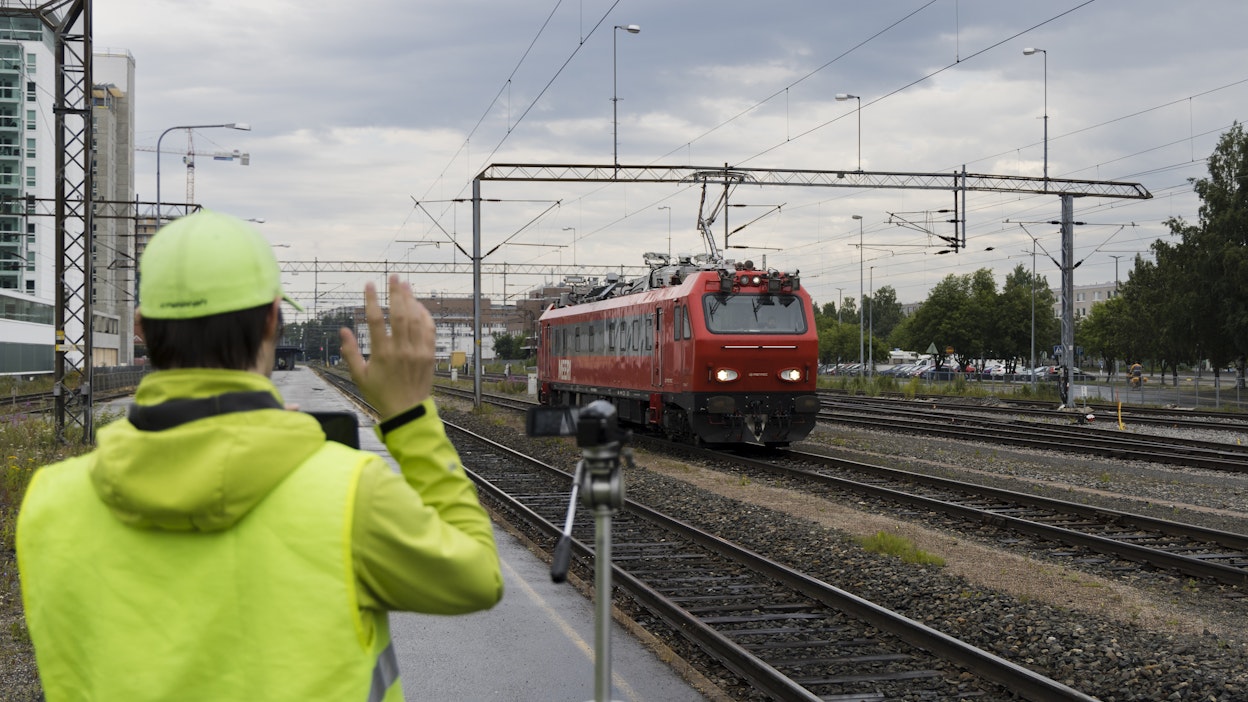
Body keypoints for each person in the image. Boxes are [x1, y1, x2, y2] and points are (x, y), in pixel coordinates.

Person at [17, 210, 503, 701]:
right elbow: (477, 576)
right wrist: (410, 419)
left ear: (141, 328)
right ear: (272, 318)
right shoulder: (350, 495)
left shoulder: (49, 506)